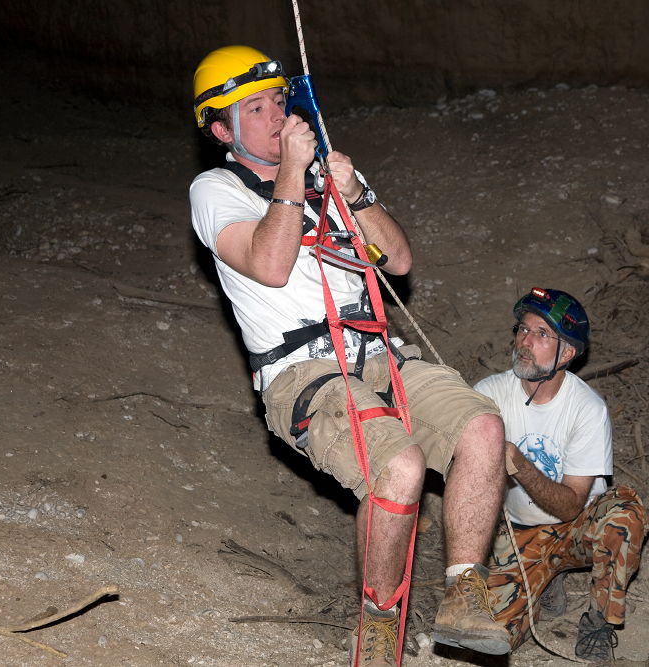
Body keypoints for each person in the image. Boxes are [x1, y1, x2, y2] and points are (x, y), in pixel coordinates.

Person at [188, 45, 509, 666]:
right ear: (222, 131)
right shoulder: (215, 190)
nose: (277, 115)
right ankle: (379, 630)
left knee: (483, 428)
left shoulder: (323, 178)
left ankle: (465, 597)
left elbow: (400, 260)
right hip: (302, 370)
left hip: (378, 351)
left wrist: (354, 193)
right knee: (400, 467)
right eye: (255, 109)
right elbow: (270, 265)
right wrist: (293, 171)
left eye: (278, 100)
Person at [474, 287, 649, 662]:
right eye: (523, 329)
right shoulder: (489, 394)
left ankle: (599, 622)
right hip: (518, 533)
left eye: (541, 334)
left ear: (566, 353)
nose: (525, 341)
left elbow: (570, 506)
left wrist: (519, 463)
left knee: (625, 517)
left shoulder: (587, 408)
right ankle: (542, 583)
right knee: (491, 636)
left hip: (577, 528)